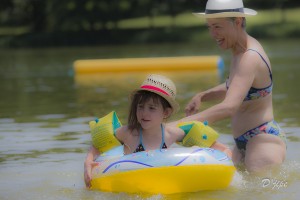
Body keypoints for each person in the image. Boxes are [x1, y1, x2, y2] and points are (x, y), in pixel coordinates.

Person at [181, 0, 287, 173]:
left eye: (217, 26)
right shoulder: (238, 52)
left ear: (237, 21)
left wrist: (179, 125)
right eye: (209, 27)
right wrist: (203, 95)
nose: (213, 33)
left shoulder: (250, 56)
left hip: (262, 141)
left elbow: (230, 107)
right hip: (243, 144)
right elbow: (238, 86)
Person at [84, 74, 232, 188]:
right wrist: (88, 162)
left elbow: (207, 141)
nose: (144, 113)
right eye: (140, 107)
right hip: (130, 185)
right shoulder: (129, 133)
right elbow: (99, 144)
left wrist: (225, 153)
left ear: (166, 113)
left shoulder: (170, 134)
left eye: (151, 108)